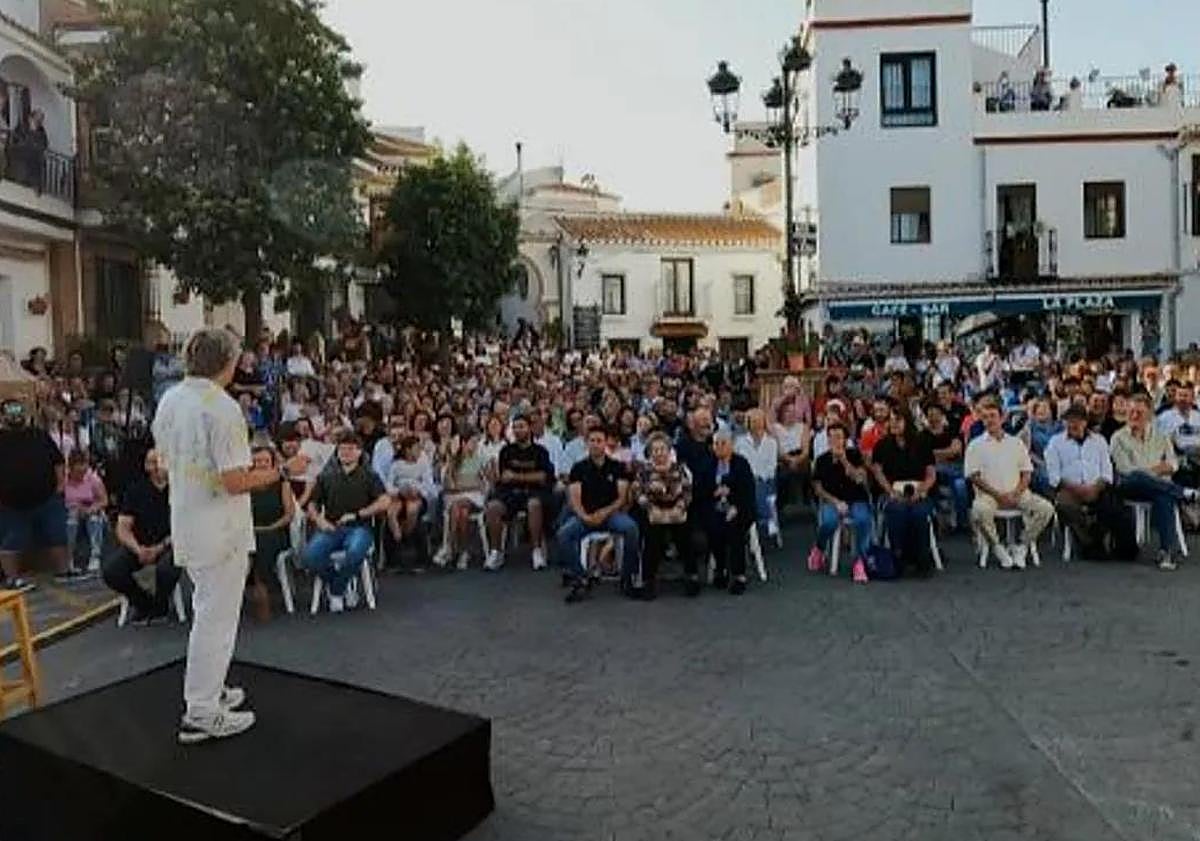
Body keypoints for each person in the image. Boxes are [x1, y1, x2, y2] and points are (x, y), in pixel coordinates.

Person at [152, 327, 309, 745]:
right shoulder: (222, 409)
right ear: (229, 362)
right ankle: (202, 710)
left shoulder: (171, 398)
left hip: (188, 519)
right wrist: (283, 472)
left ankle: (210, 687)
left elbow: (161, 463)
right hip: (220, 528)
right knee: (215, 620)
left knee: (209, 612)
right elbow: (235, 480)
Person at [1110, 393, 1200, 571]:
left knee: (1163, 497)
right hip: (1131, 486)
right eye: (1132, 412)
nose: (1134, 416)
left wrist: (1153, 470)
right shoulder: (1118, 438)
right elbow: (1125, 469)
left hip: (1159, 487)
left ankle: (1166, 552)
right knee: (1137, 477)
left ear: (1150, 414)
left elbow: (1173, 464)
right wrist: (1157, 469)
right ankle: (1183, 493)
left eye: (1139, 412)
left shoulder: (1161, 436)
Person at [302, 431, 391, 605]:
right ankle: (339, 585)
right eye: (342, 449)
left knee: (355, 551)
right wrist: (320, 520)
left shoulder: (369, 475)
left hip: (359, 527)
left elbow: (385, 500)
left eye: (350, 449)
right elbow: (312, 504)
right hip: (331, 528)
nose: (345, 453)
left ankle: (336, 591)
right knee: (309, 556)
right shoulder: (326, 476)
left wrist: (360, 513)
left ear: (359, 452)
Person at [965, 398, 1055, 570]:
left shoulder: (1016, 443)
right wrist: (998, 495)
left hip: (1018, 493)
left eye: (993, 416)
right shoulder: (975, 445)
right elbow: (974, 477)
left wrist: (1016, 493)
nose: (990, 420)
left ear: (1002, 418)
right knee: (979, 510)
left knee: (1046, 508)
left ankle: (1022, 545)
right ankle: (998, 548)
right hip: (989, 496)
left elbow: (1027, 473)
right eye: (985, 417)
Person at [0, 398, 79, 590]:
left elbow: (57, 461)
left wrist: (61, 486)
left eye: (18, 411)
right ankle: (12, 579)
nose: (16, 416)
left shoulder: (39, 435)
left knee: (57, 534)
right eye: (10, 412)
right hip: (10, 504)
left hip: (48, 498)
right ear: (2, 416)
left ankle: (64, 571)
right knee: (12, 540)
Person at [558, 427, 641, 603]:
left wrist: (604, 513)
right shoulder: (579, 468)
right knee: (564, 534)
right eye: (592, 441)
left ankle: (627, 578)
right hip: (585, 515)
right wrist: (585, 516)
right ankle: (580, 578)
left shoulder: (617, 467)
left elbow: (621, 498)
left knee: (631, 529)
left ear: (605, 443)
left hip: (611, 514)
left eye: (599, 440)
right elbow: (574, 497)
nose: (595, 444)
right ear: (587, 443)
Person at [101, 449, 180, 622]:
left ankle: (161, 605)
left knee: (166, 569)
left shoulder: (180, 490)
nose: (155, 467)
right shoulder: (135, 491)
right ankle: (144, 603)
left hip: (171, 545)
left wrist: (159, 548)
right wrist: (138, 550)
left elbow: (185, 527)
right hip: (140, 545)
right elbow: (122, 527)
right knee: (112, 571)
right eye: (150, 462)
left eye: (158, 462)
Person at [484, 413, 555, 571]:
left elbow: (543, 477)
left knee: (534, 504)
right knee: (493, 507)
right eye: (514, 427)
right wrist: (529, 477)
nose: (517, 430)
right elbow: (504, 477)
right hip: (510, 494)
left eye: (521, 426)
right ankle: (496, 552)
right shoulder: (506, 451)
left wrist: (516, 476)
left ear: (529, 428)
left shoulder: (540, 451)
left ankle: (536, 551)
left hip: (534, 493)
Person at [870, 411, 936, 577]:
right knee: (897, 511)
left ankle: (922, 558)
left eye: (898, 420)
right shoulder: (882, 445)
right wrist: (890, 491)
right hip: (892, 491)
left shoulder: (922, 444)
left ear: (907, 422)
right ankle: (897, 556)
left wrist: (922, 491)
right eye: (890, 420)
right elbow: (878, 472)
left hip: (918, 491)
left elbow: (931, 474)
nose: (893, 424)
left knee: (919, 513)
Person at [1045, 406, 1115, 561]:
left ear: (1085, 422)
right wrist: (1076, 488)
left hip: (1096, 488)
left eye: (1077, 421)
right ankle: (1089, 542)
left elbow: (1107, 472)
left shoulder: (1099, 441)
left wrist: (1095, 488)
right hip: (1068, 488)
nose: (1073, 425)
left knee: (1112, 504)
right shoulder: (1055, 443)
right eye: (1069, 421)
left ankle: (1097, 537)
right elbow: (1053, 476)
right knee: (1064, 505)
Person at [636, 432, 701, 597]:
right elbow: (639, 493)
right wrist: (651, 508)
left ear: (669, 450)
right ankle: (648, 580)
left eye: (662, 449)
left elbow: (687, 493)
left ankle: (691, 576)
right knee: (652, 537)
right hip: (654, 511)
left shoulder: (680, 468)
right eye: (655, 450)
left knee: (685, 535)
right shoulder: (644, 471)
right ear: (650, 453)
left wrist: (679, 508)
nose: (659, 453)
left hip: (676, 510)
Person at [808, 423, 872, 584]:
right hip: (832, 499)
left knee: (863, 520)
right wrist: (836, 502)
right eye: (832, 437)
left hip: (856, 498)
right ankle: (819, 548)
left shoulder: (855, 455)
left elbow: (860, 479)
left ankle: (859, 561)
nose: (835, 441)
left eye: (839, 437)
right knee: (829, 522)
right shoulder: (822, 460)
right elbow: (818, 488)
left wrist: (844, 461)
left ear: (845, 440)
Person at [248, 445, 296, 620]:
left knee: (262, 541)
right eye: (257, 461)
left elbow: (289, 514)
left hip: (277, 530)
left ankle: (261, 588)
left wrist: (270, 528)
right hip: (249, 532)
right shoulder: (245, 485)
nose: (261, 464)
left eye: (265, 461)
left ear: (273, 463)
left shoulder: (282, 483)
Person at [707, 429, 756, 595]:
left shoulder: (741, 463)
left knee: (735, 528)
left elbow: (747, 491)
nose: (719, 447)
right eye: (716, 444)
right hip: (716, 507)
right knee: (713, 527)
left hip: (740, 507)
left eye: (723, 443)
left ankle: (738, 575)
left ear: (731, 445)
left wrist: (734, 504)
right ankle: (720, 569)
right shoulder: (709, 463)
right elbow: (702, 487)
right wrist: (714, 492)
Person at [385, 434, 437, 567]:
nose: (419, 451)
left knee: (412, 509)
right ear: (407, 450)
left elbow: (429, 485)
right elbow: (389, 484)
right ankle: (397, 536)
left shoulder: (423, 464)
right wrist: (398, 491)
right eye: (416, 448)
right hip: (399, 495)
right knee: (391, 512)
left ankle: (405, 535)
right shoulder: (396, 465)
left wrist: (418, 492)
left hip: (417, 495)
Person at [439, 432, 489, 569]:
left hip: (475, 497)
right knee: (461, 512)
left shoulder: (480, 459)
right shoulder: (454, 461)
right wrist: (470, 484)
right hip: (455, 498)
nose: (474, 446)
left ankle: (448, 547)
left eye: (476, 442)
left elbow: (484, 485)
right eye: (471, 442)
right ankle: (463, 552)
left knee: (460, 506)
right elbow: (449, 486)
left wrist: (464, 486)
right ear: (463, 444)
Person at [735, 409, 780, 544]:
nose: (755, 424)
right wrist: (750, 477)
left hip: (766, 480)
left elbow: (771, 467)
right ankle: (766, 519)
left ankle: (756, 525)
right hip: (745, 481)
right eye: (752, 421)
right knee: (751, 486)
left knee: (758, 486)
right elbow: (738, 464)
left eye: (758, 421)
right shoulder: (739, 441)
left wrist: (758, 477)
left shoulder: (771, 442)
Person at [924, 402, 969, 532]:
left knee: (960, 485)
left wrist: (936, 453)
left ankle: (962, 522)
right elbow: (926, 455)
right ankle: (939, 520)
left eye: (936, 414)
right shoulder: (923, 435)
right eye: (930, 414)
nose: (933, 417)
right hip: (933, 470)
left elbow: (956, 450)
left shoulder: (952, 430)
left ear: (942, 415)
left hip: (954, 467)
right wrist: (946, 452)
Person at [63, 449, 108, 573]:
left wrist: (90, 509)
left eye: (83, 470)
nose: (81, 474)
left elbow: (104, 501)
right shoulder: (64, 481)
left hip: (91, 510)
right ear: (71, 468)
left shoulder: (93, 479)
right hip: (71, 512)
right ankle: (69, 558)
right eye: (77, 471)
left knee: (95, 518)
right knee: (71, 521)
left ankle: (95, 556)